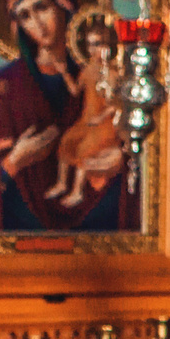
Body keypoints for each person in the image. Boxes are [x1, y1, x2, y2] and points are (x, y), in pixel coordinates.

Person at [0, 0, 134, 233]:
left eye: (42, 7)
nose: (37, 23)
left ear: (65, 7)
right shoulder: (1, 89)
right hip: (19, 246)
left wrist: (122, 161)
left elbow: (135, 145)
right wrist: (13, 162)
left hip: (96, 239)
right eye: (24, 15)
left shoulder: (102, 76)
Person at [42, 11, 124, 208]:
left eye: (98, 44)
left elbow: (116, 104)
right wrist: (63, 73)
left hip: (103, 126)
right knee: (67, 141)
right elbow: (75, 91)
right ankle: (62, 184)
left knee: (85, 150)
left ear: (107, 47)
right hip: (86, 121)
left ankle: (77, 191)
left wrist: (100, 118)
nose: (93, 50)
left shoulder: (111, 73)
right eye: (90, 45)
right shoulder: (87, 70)